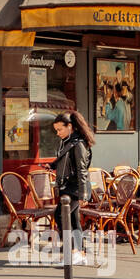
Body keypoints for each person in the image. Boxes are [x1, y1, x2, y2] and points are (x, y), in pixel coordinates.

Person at [51, 111, 96, 263]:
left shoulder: (78, 144)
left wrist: (83, 194)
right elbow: (64, 160)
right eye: (56, 130)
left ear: (69, 126)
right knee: (73, 219)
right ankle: (80, 253)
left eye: (60, 129)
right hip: (67, 187)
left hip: (75, 188)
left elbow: (82, 170)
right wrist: (51, 165)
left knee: (60, 215)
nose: (57, 133)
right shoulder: (68, 141)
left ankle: (72, 251)